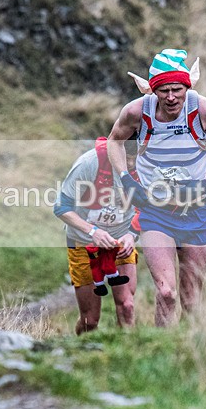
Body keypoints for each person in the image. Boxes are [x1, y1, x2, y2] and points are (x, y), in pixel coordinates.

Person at [108, 48, 206, 327]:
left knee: (192, 300)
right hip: (155, 211)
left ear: (186, 86)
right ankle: (160, 350)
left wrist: (205, 184)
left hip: (196, 212)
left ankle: (187, 355)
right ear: (152, 91)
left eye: (177, 89)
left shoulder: (203, 109)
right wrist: (127, 179)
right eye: (163, 91)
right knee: (167, 293)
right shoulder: (136, 112)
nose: (170, 98)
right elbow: (114, 142)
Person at [54, 136, 141, 335]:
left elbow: (149, 205)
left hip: (120, 241)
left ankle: (125, 359)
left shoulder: (145, 165)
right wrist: (93, 231)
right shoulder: (89, 163)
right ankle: (83, 355)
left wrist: (132, 234)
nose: (129, 166)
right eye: (126, 159)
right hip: (84, 242)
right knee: (90, 320)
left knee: (127, 307)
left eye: (134, 160)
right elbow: (61, 207)